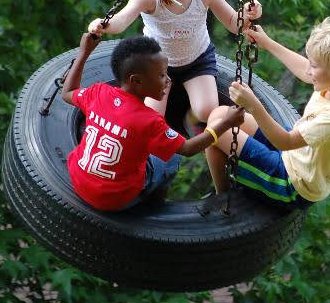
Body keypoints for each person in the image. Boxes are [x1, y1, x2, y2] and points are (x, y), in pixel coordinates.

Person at [87, 0, 261, 128]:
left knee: (206, 110)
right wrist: (103, 24)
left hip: (197, 59)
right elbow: (122, 20)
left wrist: (248, 13)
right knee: (152, 116)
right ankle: (164, 141)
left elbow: (234, 23)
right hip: (157, 64)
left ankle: (189, 126)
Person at [62, 30, 245, 211]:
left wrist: (84, 52)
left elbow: (68, 93)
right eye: (162, 75)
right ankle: (153, 203)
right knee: (172, 158)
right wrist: (226, 123)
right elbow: (188, 149)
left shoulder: (98, 92)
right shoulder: (149, 121)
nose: (168, 80)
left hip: (78, 181)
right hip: (116, 199)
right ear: (136, 81)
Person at [204, 18, 330, 209]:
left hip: (293, 184)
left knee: (216, 131)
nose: (309, 70)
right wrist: (267, 42)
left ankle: (222, 199)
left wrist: (254, 105)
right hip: (293, 154)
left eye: (314, 66)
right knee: (220, 115)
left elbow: (286, 141)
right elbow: (304, 70)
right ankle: (224, 190)